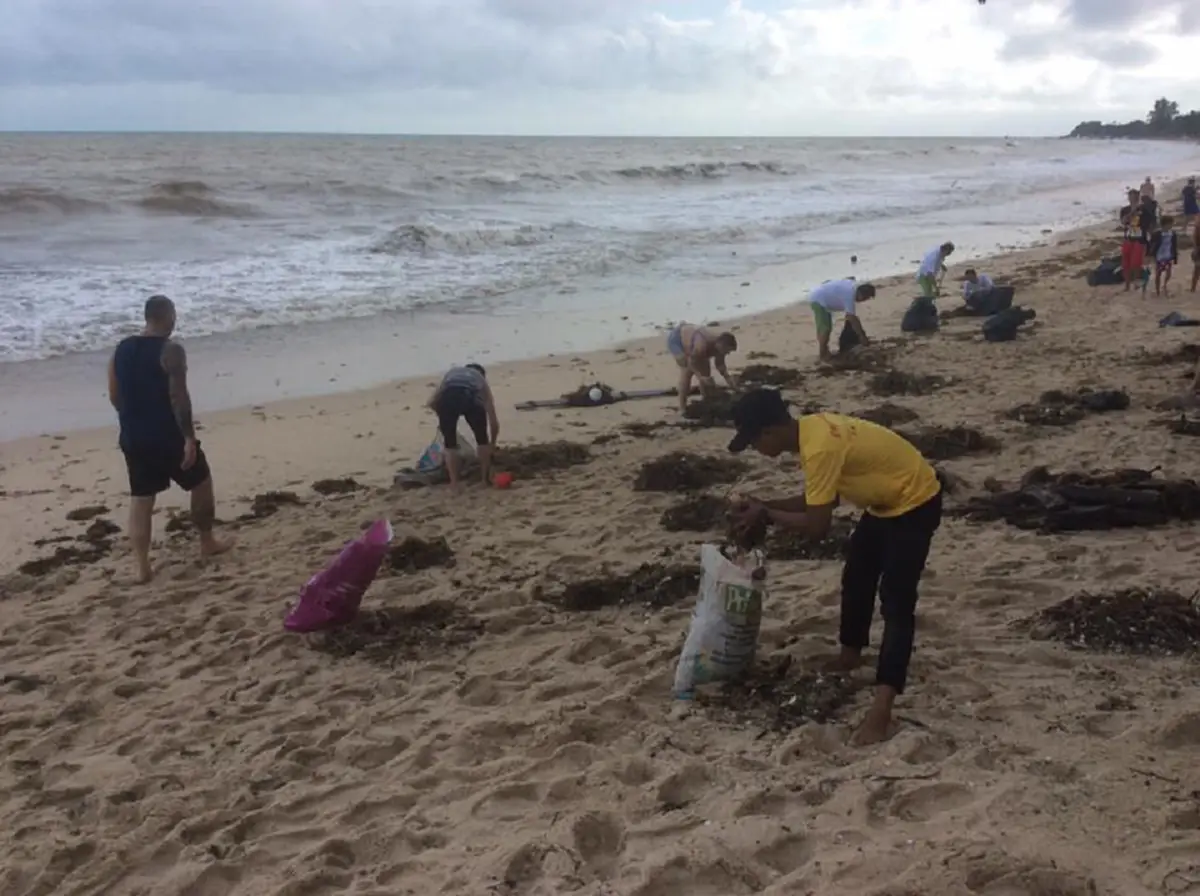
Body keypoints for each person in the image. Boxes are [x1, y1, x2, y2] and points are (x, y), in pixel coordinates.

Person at [726, 388, 943, 746]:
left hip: (916, 500)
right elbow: (820, 496)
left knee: (897, 602)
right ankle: (850, 655)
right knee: (857, 576)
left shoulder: (820, 447)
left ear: (769, 432)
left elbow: (817, 526)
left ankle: (882, 711)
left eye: (753, 442)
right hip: (885, 503)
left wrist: (766, 514)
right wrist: (763, 504)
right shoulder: (811, 431)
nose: (755, 450)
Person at [107, 295, 232, 583]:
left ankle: (142, 568)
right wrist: (189, 437)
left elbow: (115, 395)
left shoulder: (121, 349)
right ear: (170, 317)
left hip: (133, 436)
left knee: (141, 500)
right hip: (166, 434)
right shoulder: (171, 350)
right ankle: (207, 541)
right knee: (201, 482)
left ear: (146, 317)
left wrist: (133, 420)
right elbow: (179, 397)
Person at [426, 363, 500, 491]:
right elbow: (493, 420)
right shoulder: (480, 379)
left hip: (447, 399)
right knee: (482, 440)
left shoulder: (452, 373)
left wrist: (444, 420)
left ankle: (454, 484)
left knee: (450, 445)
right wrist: (492, 444)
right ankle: (484, 480)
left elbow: (431, 402)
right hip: (470, 399)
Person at [666, 323, 738, 413]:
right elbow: (692, 363)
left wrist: (729, 380)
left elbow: (720, 365)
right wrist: (701, 377)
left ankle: (707, 401)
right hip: (678, 339)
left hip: (694, 338)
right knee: (687, 372)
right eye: (728, 351)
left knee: (706, 373)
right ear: (722, 346)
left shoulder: (720, 347)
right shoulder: (701, 346)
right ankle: (682, 408)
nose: (728, 353)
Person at [807, 278, 875, 361]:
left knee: (825, 327)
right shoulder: (849, 294)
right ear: (860, 293)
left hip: (823, 296)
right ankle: (822, 354)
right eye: (864, 298)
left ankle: (825, 351)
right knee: (825, 329)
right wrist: (861, 336)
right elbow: (851, 318)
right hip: (818, 300)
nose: (861, 301)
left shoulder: (853, 287)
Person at [1119, 188, 1150, 292]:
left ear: (1138, 197)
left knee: (1136, 264)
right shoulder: (1125, 210)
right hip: (1128, 239)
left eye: (1135, 197)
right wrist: (1133, 211)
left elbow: (1147, 225)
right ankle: (1127, 285)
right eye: (1130, 197)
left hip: (1139, 239)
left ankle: (1136, 283)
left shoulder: (1144, 210)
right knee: (1125, 264)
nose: (1132, 199)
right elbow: (1123, 221)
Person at [1149, 215, 1179, 297]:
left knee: (1168, 273)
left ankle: (1165, 284)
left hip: (1168, 256)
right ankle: (1157, 289)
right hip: (1159, 257)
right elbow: (1151, 244)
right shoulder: (1157, 233)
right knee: (1158, 274)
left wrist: (1175, 257)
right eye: (1171, 223)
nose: (1172, 225)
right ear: (1165, 224)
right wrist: (1150, 255)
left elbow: (1174, 246)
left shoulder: (1173, 234)